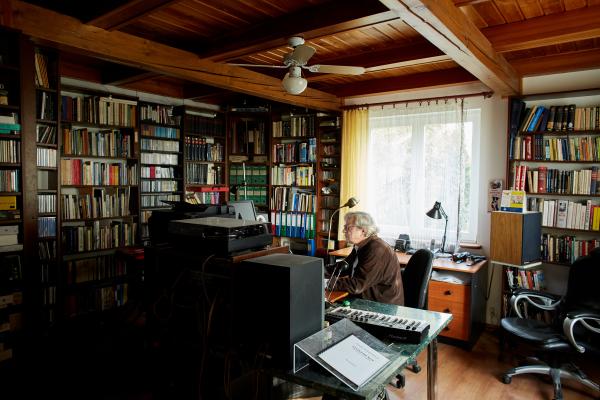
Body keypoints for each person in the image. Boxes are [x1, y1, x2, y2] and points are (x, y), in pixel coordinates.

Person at [330, 211, 404, 306]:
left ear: (363, 231)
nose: (344, 231)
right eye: (345, 227)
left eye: (348, 228)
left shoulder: (376, 250)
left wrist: (327, 282)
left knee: (326, 308)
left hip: (382, 306)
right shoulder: (361, 245)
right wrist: (319, 271)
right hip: (366, 298)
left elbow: (357, 285)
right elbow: (344, 267)